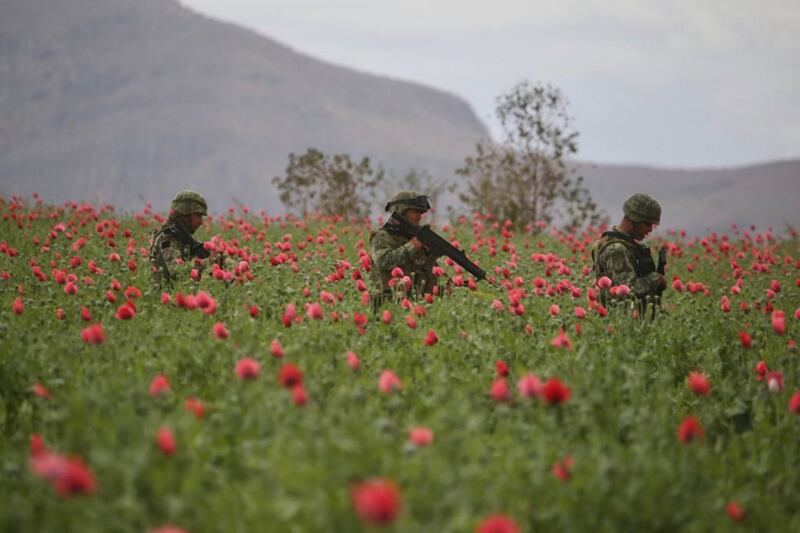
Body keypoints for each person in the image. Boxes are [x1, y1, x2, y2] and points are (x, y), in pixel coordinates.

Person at [592, 193, 666, 312]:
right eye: (647, 224)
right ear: (634, 220)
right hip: (619, 321)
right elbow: (628, 290)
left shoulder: (628, 245)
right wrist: (657, 279)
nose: (650, 229)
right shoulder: (617, 248)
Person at [369, 190, 439, 309]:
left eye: (421, 212)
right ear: (401, 212)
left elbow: (431, 273)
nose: (419, 216)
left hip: (413, 306)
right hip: (385, 305)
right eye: (415, 211)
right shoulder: (383, 236)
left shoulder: (418, 239)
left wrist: (446, 287)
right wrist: (411, 246)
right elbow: (382, 261)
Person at [149, 190, 213, 289]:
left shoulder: (183, 238)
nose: (201, 222)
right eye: (199, 215)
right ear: (186, 213)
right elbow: (178, 272)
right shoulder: (166, 239)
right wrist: (209, 264)